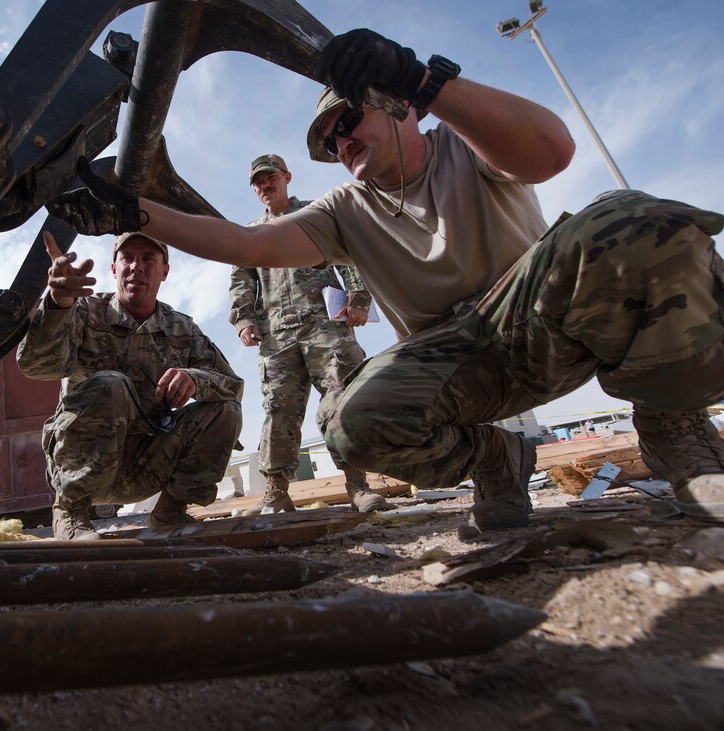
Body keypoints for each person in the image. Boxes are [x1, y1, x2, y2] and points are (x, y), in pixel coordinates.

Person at [46, 27, 724, 528]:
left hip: (542, 317)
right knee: (349, 421)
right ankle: (494, 459)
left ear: (397, 107)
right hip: (459, 363)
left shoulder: (466, 144)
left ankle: (676, 428)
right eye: (328, 142)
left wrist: (425, 79)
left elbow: (554, 150)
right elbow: (236, 242)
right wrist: (132, 211)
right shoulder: (345, 208)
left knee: (635, 222)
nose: (340, 143)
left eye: (348, 121)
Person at [16, 230, 243, 540]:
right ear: (114, 269)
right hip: (83, 464)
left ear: (164, 270)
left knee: (225, 410)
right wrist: (57, 305)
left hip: (147, 465)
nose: (136, 266)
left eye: (148, 258)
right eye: (127, 258)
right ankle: (71, 512)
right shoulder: (84, 312)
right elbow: (37, 366)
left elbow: (232, 386)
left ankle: (170, 512)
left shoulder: (181, 328)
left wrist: (195, 379)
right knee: (112, 384)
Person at [231, 153, 387, 514]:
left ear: (286, 176)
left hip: (325, 327)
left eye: (270, 177)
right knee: (278, 410)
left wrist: (359, 299)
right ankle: (276, 493)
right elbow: (241, 279)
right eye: (258, 182)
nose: (265, 185)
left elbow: (349, 256)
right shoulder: (252, 234)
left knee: (341, 400)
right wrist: (244, 320)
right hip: (276, 335)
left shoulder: (313, 217)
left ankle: (358, 486)